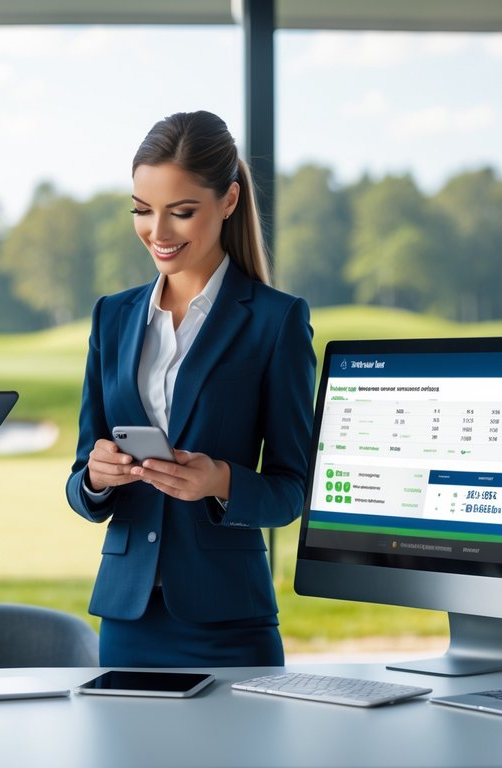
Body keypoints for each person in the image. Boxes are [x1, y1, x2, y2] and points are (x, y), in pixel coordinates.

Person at [65, 110, 317, 667]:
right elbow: (81, 481)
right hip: (127, 619)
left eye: (181, 212)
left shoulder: (276, 322)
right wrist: (97, 479)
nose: (157, 232)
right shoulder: (112, 317)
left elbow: (291, 492)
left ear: (228, 201)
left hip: (229, 620)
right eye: (142, 210)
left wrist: (220, 480)